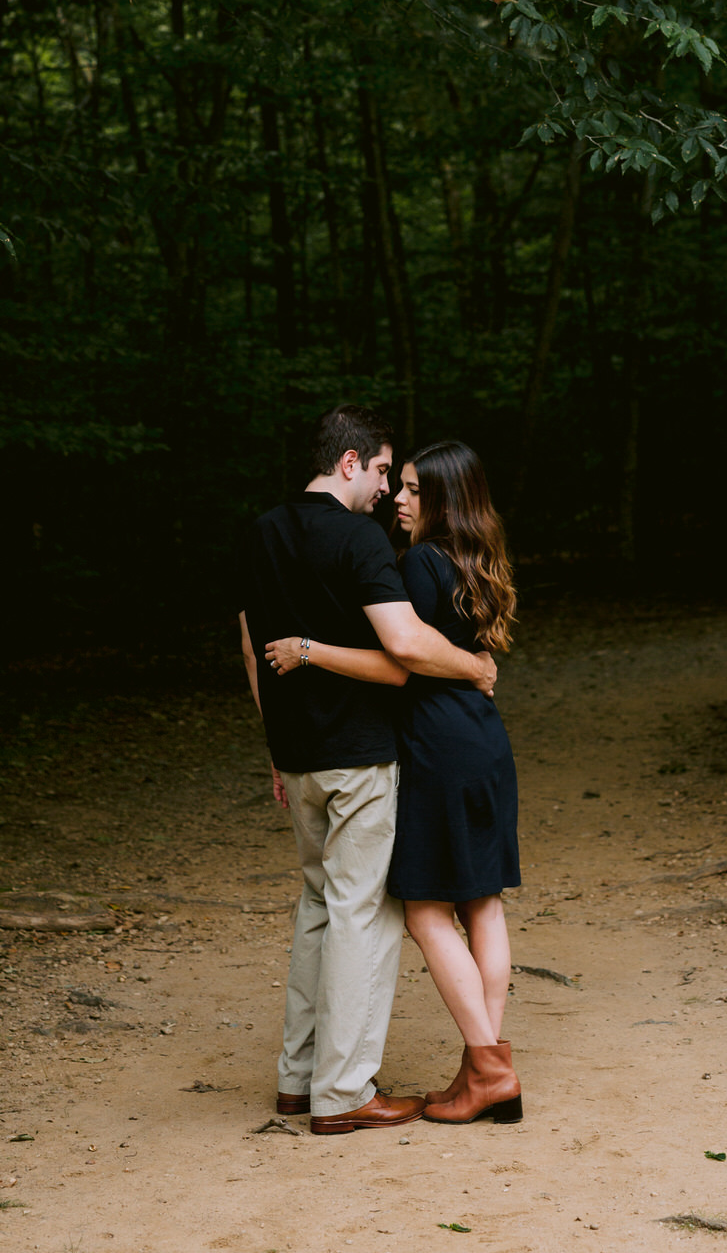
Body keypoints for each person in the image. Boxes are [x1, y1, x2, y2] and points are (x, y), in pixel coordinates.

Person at [239, 405, 499, 1137]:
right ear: (348, 462)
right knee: (364, 915)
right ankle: (345, 1091)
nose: (388, 488)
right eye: (383, 470)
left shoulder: (261, 530)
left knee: (316, 908)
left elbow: (248, 640)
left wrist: (274, 744)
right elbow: (405, 648)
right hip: (356, 754)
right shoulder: (357, 537)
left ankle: (296, 1080)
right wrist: (473, 667)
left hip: (296, 758)